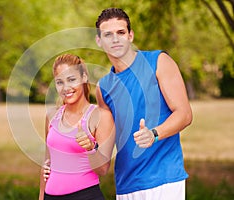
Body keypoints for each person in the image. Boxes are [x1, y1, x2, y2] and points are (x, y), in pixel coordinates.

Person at [95, 8, 193, 200]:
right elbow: (102, 159)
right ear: (99, 41)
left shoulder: (158, 61)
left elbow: (184, 114)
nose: (115, 39)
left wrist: (154, 134)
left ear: (130, 36)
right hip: (126, 186)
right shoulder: (103, 87)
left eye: (121, 32)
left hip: (165, 179)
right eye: (108, 35)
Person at [39, 54, 115, 200]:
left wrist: (91, 148)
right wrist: (41, 196)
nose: (66, 87)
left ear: (84, 77)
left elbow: (103, 169)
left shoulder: (101, 116)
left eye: (71, 79)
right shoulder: (52, 115)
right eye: (59, 82)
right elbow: (47, 163)